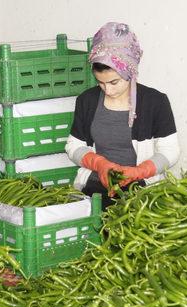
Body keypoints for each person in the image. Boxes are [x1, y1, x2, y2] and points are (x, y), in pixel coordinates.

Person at [66, 22, 180, 208]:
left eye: (114, 82)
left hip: (144, 187)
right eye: (100, 83)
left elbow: (170, 151)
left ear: (130, 72)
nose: (107, 90)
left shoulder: (155, 102)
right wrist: (99, 164)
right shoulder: (87, 101)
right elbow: (74, 146)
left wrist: (138, 172)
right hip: (96, 186)